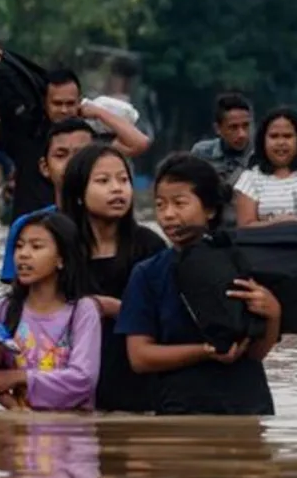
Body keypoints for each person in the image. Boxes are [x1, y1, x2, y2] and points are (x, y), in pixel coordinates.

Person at [115, 153, 283, 415]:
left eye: (179, 203)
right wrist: (204, 352)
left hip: (248, 407)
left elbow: (255, 353)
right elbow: (140, 357)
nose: (168, 214)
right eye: (160, 205)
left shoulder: (241, 262)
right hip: (180, 410)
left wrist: (273, 314)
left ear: (210, 209)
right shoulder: (148, 274)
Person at [0, 43, 150, 223]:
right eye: (57, 103)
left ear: (79, 102)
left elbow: (139, 143)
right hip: (31, 234)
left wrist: (98, 112)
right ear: (45, 103)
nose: (64, 110)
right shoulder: (24, 136)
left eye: (70, 103)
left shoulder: (90, 140)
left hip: (76, 232)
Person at [60, 144, 168, 412]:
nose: (117, 189)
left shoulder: (149, 246)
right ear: (79, 193)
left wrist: (116, 309)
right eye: (103, 181)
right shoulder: (60, 248)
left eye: (123, 180)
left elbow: (167, 318)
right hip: (73, 384)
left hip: (137, 385)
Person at [0, 212, 102, 410]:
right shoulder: (5, 307)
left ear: (61, 259)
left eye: (36, 247)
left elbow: (84, 379)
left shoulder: (82, 310)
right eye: (19, 246)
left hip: (72, 423)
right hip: (17, 420)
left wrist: (22, 377)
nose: (23, 254)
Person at [0, 118, 95, 284]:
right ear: (44, 167)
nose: (72, 163)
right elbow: (17, 292)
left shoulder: (113, 224)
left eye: (81, 155)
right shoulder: (25, 226)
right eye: (61, 155)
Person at [191, 92, 255, 228]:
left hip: (246, 228)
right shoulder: (202, 153)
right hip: (211, 228)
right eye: (233, 127)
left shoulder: (259, 156)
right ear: (218, 129)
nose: (242, 134)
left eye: (245, 126)